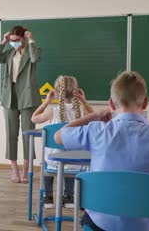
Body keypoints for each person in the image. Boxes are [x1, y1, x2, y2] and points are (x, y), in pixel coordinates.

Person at [54, 71, 149, 231]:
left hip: (101, 223)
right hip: (146, 226)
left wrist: (92, 117)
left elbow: (58, 136)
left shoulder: (96, 131)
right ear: (146, 102)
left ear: (112, 104)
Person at [0, 25, 42, 183]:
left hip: (28, 97)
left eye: (16, 40)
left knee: (28, 134)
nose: (14, 43)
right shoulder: (9, 52)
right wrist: (3, 42)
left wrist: (31, 40)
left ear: (23, 38)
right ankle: (14, 168)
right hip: (9, 96)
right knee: (11, 134)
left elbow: (35, 59)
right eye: (11, 40)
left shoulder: (33, 49)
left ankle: (26, 169)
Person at [31, 76, 93, 208]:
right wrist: (85, 102)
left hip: (53, 164)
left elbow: (33, 118)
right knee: (70, 161)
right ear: (77, 93)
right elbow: (100, 119)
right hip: (76, 164)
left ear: (57, 93)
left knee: (47, 160)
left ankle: (48, 197)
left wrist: (46, 102)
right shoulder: (82, 112)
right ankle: (69, 196)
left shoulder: (52, 112)